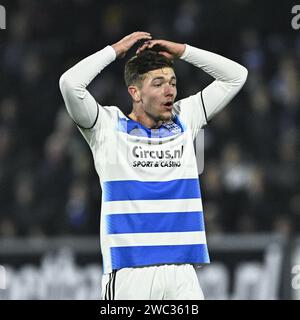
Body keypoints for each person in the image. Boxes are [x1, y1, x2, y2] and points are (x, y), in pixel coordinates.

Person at [59, 31, 248, 300]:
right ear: (135, 92)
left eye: (172, 81)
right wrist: (114, 50)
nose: (169, 90)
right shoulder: (107, 127)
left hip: (183, 275)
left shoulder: (185, 119)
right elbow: (69, 84)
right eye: (158, 83)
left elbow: (236, 76)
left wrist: (183, 51)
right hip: (130, 274)